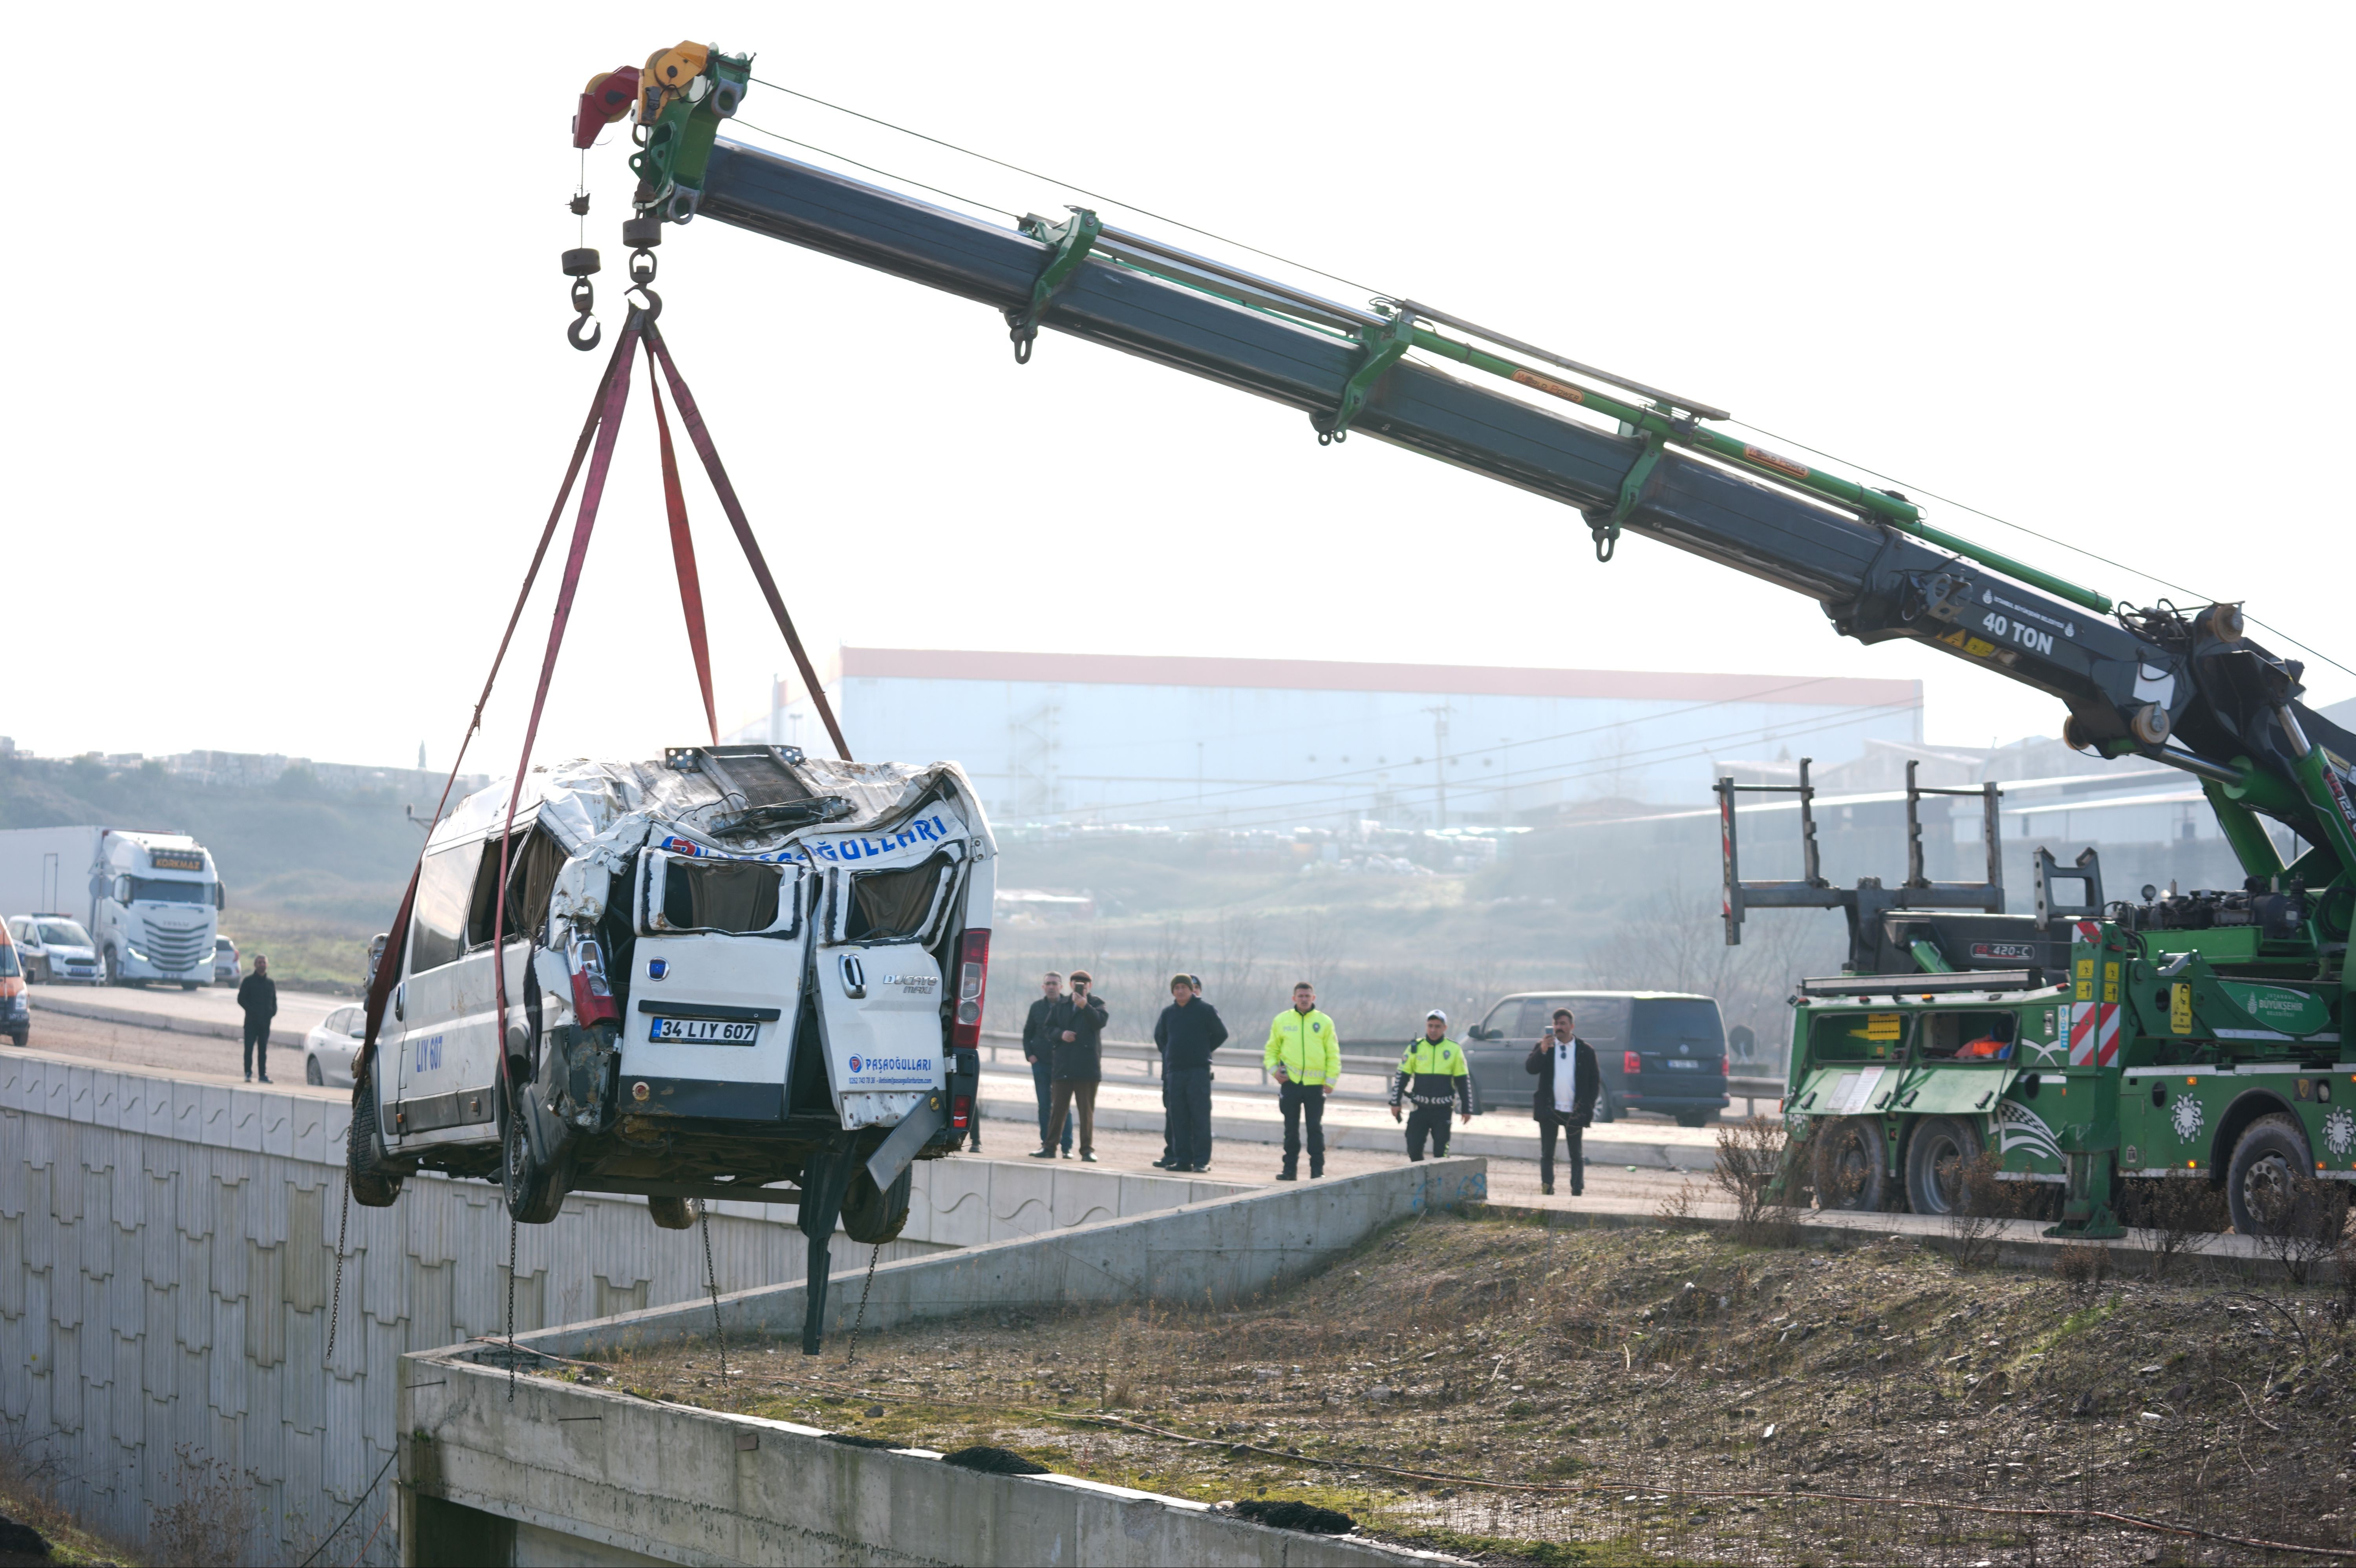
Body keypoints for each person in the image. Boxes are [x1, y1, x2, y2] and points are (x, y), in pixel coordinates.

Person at [1264, 981, 1340, 1181]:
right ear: (1294, 998)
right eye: (1301, 996)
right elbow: (1271, 1050)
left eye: (1308, 996)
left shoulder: (1324, 1022)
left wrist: (1331, 1080)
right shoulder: (1282, 1020)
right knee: (1291, 1130)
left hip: (1315, 1087)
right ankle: (1290, 1171)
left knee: (1315, 1129)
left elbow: (1333, 1054)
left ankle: (1317, 1172)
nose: (1304, 1000)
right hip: (1291, 1084)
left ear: (1313, 998)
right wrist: (1274, 1072)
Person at [1153, 973, 1227, 1171]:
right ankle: (1183, 1160)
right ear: (1173, 991)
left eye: (1183, 988)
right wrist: (1171, 1054)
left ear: (1191, 989)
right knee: (1179, 1118)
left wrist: (1203, 1050)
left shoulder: (1205, 1010)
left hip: (1198, 1072)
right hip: (1175, 1072)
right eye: (1176, 988)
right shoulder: (1168, 1013)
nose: (1180, 991)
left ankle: (1202, 1161)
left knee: (1200, 1118)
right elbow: (1160, 1038)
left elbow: (1221, 1034)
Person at [1033, 970, 1107, 1162]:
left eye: (1084, 983)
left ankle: (1087, 1150)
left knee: (1086, 1112)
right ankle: (1049, 1147)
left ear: (1090, 986)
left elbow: (1100, 1022)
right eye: (1077, 983)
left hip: (1087, 1068)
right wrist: (1061, 1034)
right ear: (1070, 985)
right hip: (1064, 1066)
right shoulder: (1062, 1005)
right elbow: (1048, 1029)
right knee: (1057, 1110)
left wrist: (1085, 1006)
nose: (1080, 986)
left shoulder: (1097, 1004)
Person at [1526, 1007, 1599, 1196]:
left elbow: (1594, 1082)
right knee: (1547, 1154)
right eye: (1556, 1024)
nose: (1559, 1028)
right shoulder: (1544, 1047)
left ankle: (1577, 1189)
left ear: (1572, 1026)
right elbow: (1531, 1069)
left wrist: (1588, 1106)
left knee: (1576, 1154)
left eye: (1563, 1024)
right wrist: (1542, 1051)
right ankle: (1547, 1188)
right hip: (1550, 1109)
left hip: (1575, 1110)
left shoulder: (1585, 1050)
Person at [1390, 1009, 1470, 1160]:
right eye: (1430, 1026)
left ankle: (1438, 1183)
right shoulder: (1416, 1047)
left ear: (1445, 1028)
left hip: (1442, 1110)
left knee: (1441, 1154)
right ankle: (1420, 1182)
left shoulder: (1454, 1049)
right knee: (1413, 1149)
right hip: (1419, 1109)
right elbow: (1402, 1077)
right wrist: (1395, 1102)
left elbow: (1463, 1081)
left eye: (1438, 1026)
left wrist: (1467, 1108)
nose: (1433, 1030)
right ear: (1426, 1027)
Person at [1022, 972, 1074, 1157]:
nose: (1051, 987)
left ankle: (1067, 1147)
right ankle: (1046, 1145)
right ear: (1043, 987)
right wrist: (1030, 1055)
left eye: (1055, 984)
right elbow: (1028, 1033)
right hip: (1041, 1064)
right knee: (1044, 1106)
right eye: (1048, 984)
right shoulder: (1037, 1007)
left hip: (1062, 1066)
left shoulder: (1070, 1006)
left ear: (1061, 987)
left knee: (1063, 1106)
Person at [237, 955, 277, 1084]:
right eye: (260, 963)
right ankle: (248, 1073)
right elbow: (241, 999)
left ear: (267, 965)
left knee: (263, 1050)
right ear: (255, 965)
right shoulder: (248, 981)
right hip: (251, 1023)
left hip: (265, 1024)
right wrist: (252, 1011)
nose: (262, 965)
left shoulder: (270, 983)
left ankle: (262, 1075)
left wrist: (272, 1012)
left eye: (264, 963)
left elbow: (274, 1001)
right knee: (249, 1048)